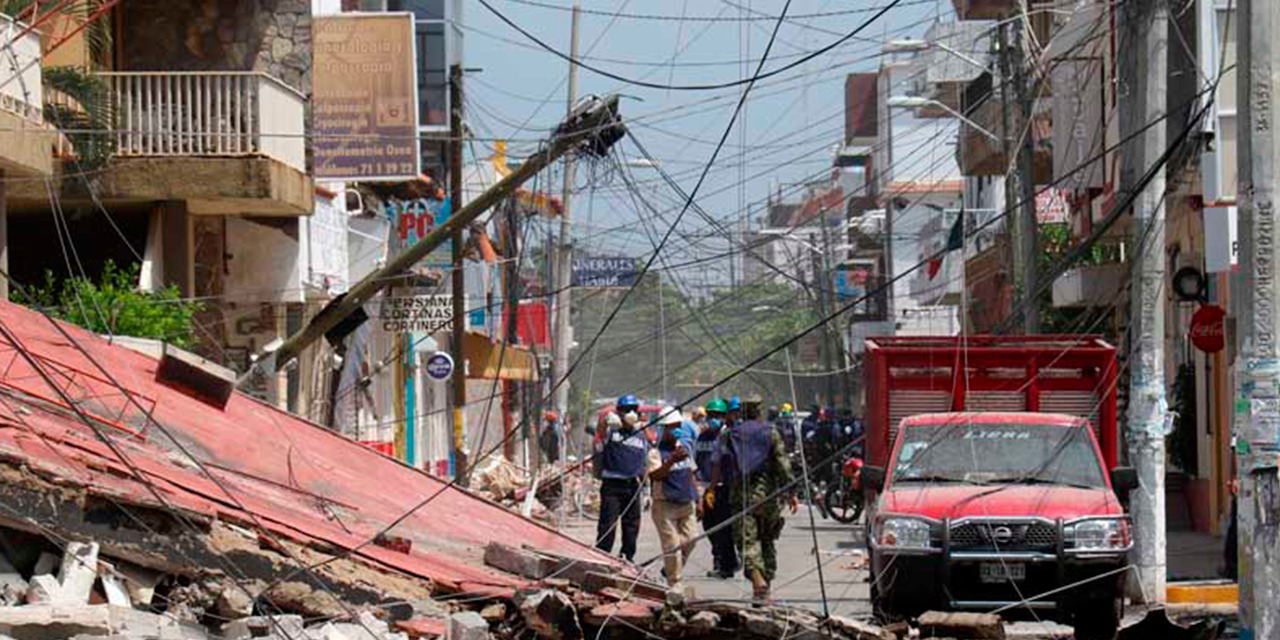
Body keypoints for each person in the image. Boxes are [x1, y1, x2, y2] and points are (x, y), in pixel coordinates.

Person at [712, 394, 797, 601]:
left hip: (740, 497)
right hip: (768, 496)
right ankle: (764, 589)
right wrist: (791, 491)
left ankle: (758, 583)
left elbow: (717, 463)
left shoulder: (730, 434)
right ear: (759, 410)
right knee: (767, 541)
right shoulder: (771, 432)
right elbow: (783, 464)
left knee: (747, 542)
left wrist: (712, 489)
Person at [648, 407, 700, 593]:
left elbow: (691, 473)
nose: (675, 431)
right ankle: (675, 582)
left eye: (677, 426)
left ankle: (670, 569)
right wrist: (670, 461)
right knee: (672, 545)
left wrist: (698, 498)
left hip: (686, 501)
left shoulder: (684, 448)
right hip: (665, 504)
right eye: (671, 427)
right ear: (663, 430)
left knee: (691, 539)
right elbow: (655, 475)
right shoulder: (655, 452)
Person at [595, 394, 649, 562]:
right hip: (613, 485)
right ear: (619, 412)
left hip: (633, 485)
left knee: (632, 525)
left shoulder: (640, 434)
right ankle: (602, 556)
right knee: (608, 524)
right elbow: (600, 431)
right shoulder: (613, 431)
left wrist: (646, 487)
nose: (630, 413)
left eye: (633, 410)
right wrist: (605, 419)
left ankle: (627, 556)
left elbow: (644, 460)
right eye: (626, 410)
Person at [695, 399, 738, 579]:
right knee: (709, 526)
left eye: (718, 415)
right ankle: (722, 560)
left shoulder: (728, 436)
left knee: (724, 528)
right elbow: (697, 461)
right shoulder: (702, 437)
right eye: (711, 415)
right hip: (706, 488)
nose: (713, 419)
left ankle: (726, 563)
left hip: (723, 487)